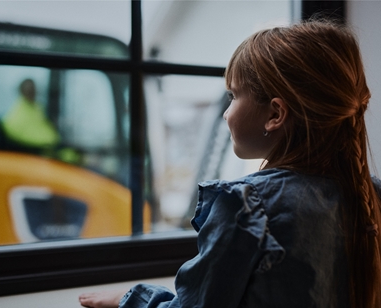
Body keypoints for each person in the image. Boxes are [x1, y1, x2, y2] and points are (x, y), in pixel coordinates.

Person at [79, 19, 381, 308]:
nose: (226, 113)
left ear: (275, 114)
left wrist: (133, 298)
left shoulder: (246, 206)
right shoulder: (371, 196)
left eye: (233, 95)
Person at [1, 78, 60, 151]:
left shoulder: (37, 107)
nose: (34, 92)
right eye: (30, 90)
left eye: (34, 89)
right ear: (22, 91)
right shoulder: (17, 115)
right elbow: (46, 139)